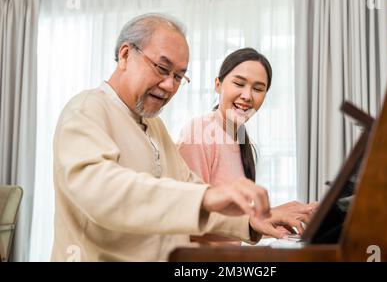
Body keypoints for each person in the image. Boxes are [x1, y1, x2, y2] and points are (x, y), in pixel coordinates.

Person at [52, 14, 309, 262]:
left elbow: (191, 190)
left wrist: (252, 221)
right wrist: (207, 198)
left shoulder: (155, 127)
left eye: (178, 76)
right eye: (162, 68)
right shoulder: (87, 109)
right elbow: (102, 191)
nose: (169, 85)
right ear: (125, 55)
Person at [177, 48, 318, 245]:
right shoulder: (198, 131)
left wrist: (285, 217)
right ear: (218, 85)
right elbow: (188, 217)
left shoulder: (240, 135)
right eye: (239, 83)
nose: (247, 96)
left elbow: (235, 227)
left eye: (258, 89)